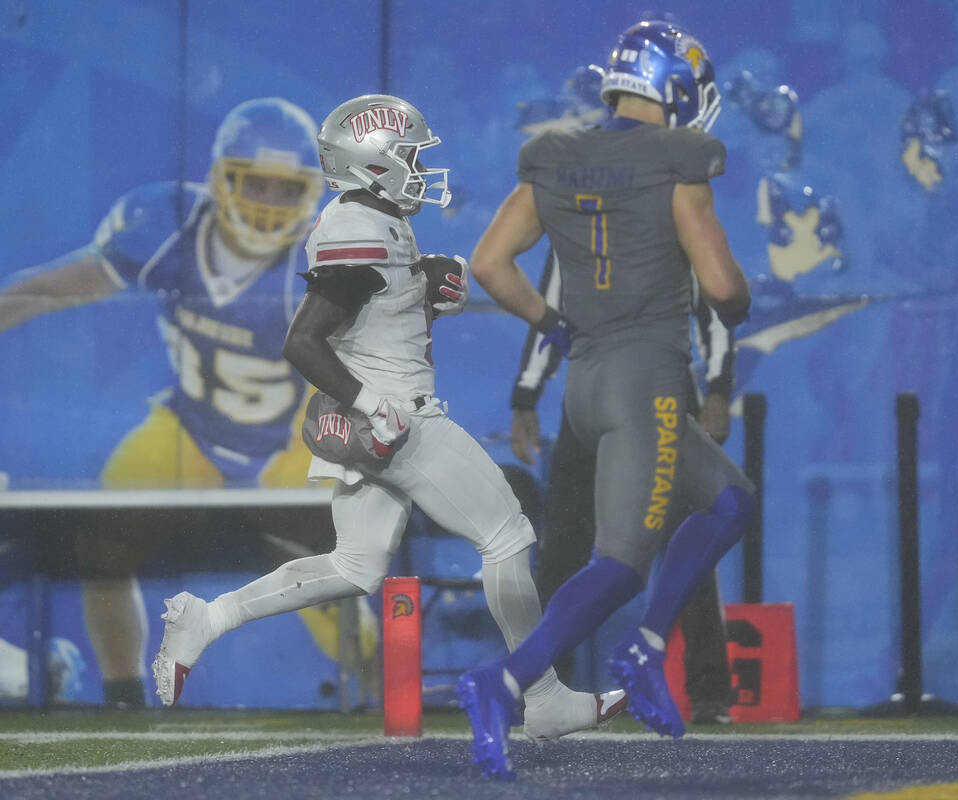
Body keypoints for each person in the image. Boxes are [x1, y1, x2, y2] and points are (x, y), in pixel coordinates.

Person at [151, 94, 626, 742]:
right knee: (507, 536)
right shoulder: (359, 227)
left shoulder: (373, 220)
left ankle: (208, 618)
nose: (419, 168)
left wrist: (421, 288)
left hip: (382, 420)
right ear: (373, 163)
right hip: (399, 419)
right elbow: (304, 341)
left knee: (355, 567)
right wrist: (372, 405)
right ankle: (542, 696)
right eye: (409, 156)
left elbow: (365, 316)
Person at [459, 20, 755, 779]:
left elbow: (489, 264)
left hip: (586, 384)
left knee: (729, 501)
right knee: (619, 565)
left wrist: (552, 326)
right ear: (675, 85)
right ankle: (504, 683)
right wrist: (734, 293)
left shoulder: (557, 156)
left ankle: (647, 647)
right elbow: (724, 291)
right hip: (645, 383)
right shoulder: (679, 157)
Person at [0, 97, 332, 707]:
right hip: (192, 428)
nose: (268, 201)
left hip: (290, 438)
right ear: (220, 178)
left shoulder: (322, 255)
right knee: (102, 545)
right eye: (254, 182)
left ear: (311, 192)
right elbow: (52, 291)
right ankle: (123, 698)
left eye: (286, 188)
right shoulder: (169, 224)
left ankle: (381, 688)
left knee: (332, 572)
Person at [511, 253, 738, 722]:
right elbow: (549, 308)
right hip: (593, 391)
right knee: (563, 548)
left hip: (663, 392)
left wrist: (718, 388)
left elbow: (714, 306)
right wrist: (526, 395)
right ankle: (541, 686)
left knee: (687, 542)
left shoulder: (676, 219)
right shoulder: (574, 222)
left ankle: (710, 689)